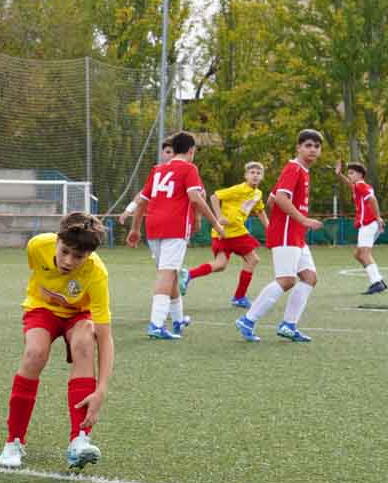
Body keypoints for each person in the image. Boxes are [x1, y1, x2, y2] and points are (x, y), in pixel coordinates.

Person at [0, 212, 114, 472]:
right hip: (42, 308)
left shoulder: (97, 274)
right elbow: (37, 277)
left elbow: (105, 337)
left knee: (85, 342)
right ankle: (13, 442)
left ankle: (79, 441)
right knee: (35, 354)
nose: (69, 261)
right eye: (64, 252)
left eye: (79, 257)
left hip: (78, 315)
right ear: (57, 240)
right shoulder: (37, 246)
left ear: (89, 255)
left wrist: (102, 388)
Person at [123, 131, 226, 339]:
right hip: (174, 227)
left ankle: (178, 319)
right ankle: (156, 324)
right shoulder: (189, 168)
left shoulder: (158, 169)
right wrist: (215, 222)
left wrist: (135, 229)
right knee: (167, 274)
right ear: (191, 150)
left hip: (153, 226)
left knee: (171, 273)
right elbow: (196, 199)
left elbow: (143, 201)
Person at [236, 129, 325, 342]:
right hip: (287, 232)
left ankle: (288, 325)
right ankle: (248, 320)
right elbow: (282, 199)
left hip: (295, 234)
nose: (313, 149)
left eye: (316, 146)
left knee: (309, 278)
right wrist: (302, 220)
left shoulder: (301, 170)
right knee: (286, 280)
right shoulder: (294, 168)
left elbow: (272, 198)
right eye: (308, 145)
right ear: (299, 147)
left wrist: (296, 221)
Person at [180, 161, 267, 309]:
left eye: (258, 173)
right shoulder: (238, 189)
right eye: (252, 173)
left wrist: (269, 228)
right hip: (233, 232)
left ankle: (189, 274)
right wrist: (219, 216)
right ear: (245, 176)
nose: (255, 175)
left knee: (220, 265)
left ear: (262, 177)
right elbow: (214, 197)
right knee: (253, 260)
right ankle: (239, 297)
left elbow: (259, 210)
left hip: (224, 233)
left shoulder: (257, 194)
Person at [340, 162, 387, 294]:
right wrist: (339, 175)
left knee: (364, 254)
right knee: (358, 254)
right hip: (369, 223)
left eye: (351, 173)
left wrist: (378, 217)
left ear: (360, 175)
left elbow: (372, 199)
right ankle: (378, 279)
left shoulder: (360, 184)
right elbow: (350, 185)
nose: (349, 176)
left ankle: (377, 283)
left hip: (368, 222)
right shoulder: (359, 185)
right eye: (348, 173)